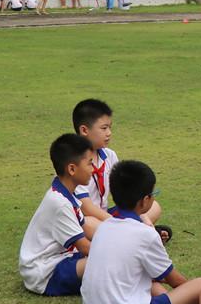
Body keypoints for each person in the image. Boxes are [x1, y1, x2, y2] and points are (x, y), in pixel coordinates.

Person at [81, 160, 201, 304]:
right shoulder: (146, 234)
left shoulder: (103, 227)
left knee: (152, 284)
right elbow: (175, 280)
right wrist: (191, 298)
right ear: (145, 200)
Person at [71, 98, 171, 243]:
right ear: (84, 130)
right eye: (104, 128)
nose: (109, 133)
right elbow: (87, 208)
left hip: (105, 217)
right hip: (85, 219)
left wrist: (143, 218)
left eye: (110, 127)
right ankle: (137, 237)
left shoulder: (109, 155)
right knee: (88, 223)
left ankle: (135, 234)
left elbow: (126, 193)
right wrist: (119, 224)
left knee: (153, 207)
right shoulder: (74, 162)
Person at [18, 134, 95, 296]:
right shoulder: (60, 203)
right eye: (89, 163)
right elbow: (85, 247)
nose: (93, 168)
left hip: (60, 259)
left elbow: (86, 230)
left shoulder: (65, 191)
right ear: (72, 169)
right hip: (44, 272)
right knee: (105, 262)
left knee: (109, 259)